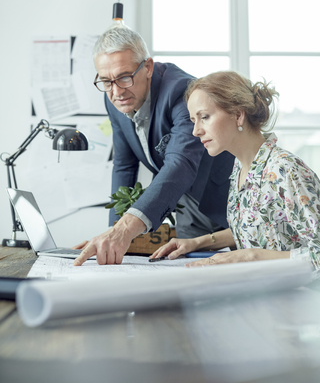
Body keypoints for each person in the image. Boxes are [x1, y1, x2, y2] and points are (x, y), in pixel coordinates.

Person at [74, 28, 234, 266]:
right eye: (106, 81)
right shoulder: (115, 100)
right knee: (193, 274)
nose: (116, 91)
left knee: (239, 273)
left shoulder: (182, 92)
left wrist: (125, 230)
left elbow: (180, 163)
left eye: (124, 77)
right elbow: (124, 166)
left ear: (147, 67)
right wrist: (112, 234)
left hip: (225, 196)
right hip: (185, 200)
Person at [150, 71, 320, 272]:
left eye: (204, 117)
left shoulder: (285, 170)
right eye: (193, 120)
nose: (196, 131)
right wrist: (197, 242)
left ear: (238, 115)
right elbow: (256, 227)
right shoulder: (239, 168)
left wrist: (251, 256)